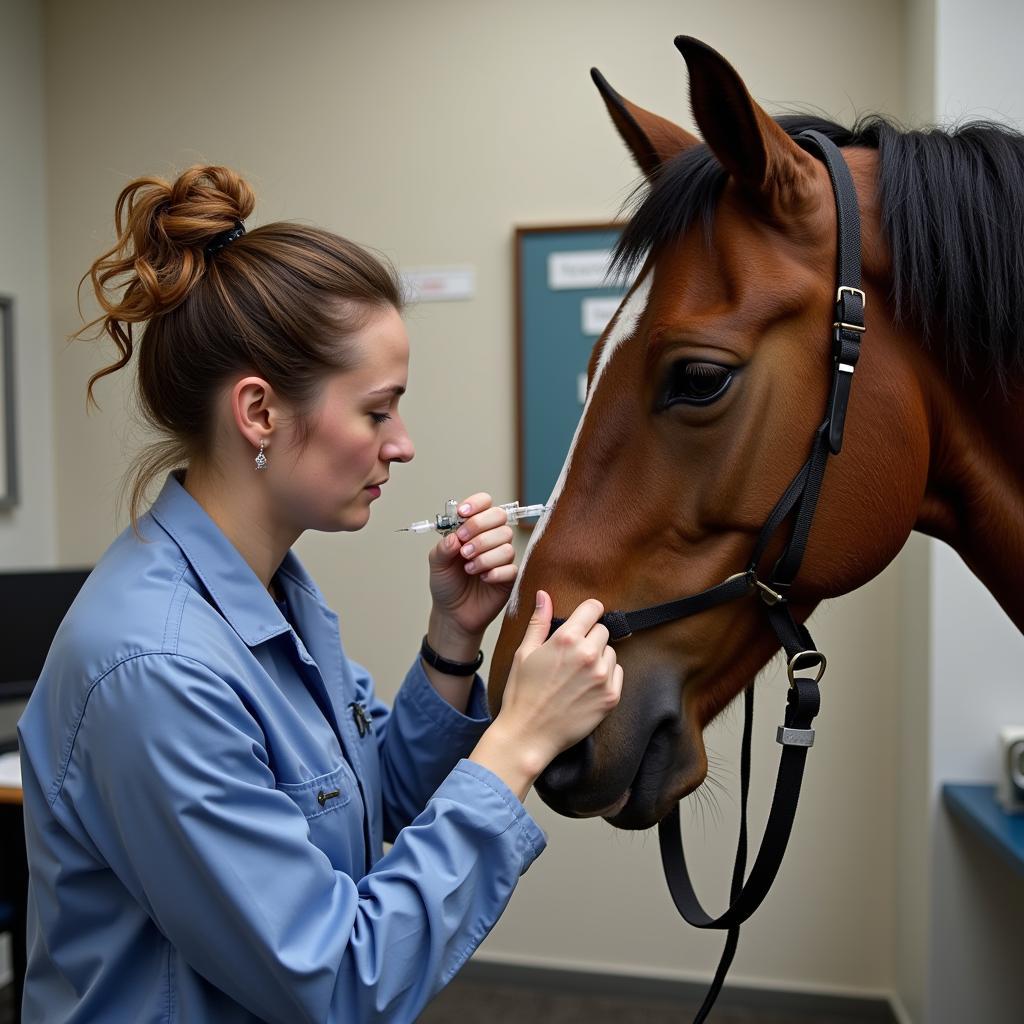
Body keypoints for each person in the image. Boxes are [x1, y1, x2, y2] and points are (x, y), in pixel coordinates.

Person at [16, 166, 623, 1023]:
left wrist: (453, 638)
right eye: (378, 412)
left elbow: (376, 802)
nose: (403, 446)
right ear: (259, 414)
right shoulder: (155, 668)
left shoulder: (277, 597)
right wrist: (519, 739)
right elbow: (341, 981)